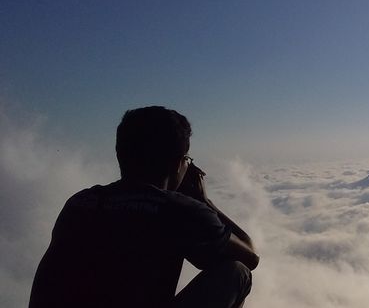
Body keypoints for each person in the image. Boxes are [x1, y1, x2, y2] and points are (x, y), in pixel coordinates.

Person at [29, 106, 259, 308]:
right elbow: (250, 259)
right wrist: (204, 201)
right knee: (237, 273)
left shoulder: (81, 203)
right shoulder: (179, 210)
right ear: (178, 163)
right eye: (186, 160)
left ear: (120, 154)